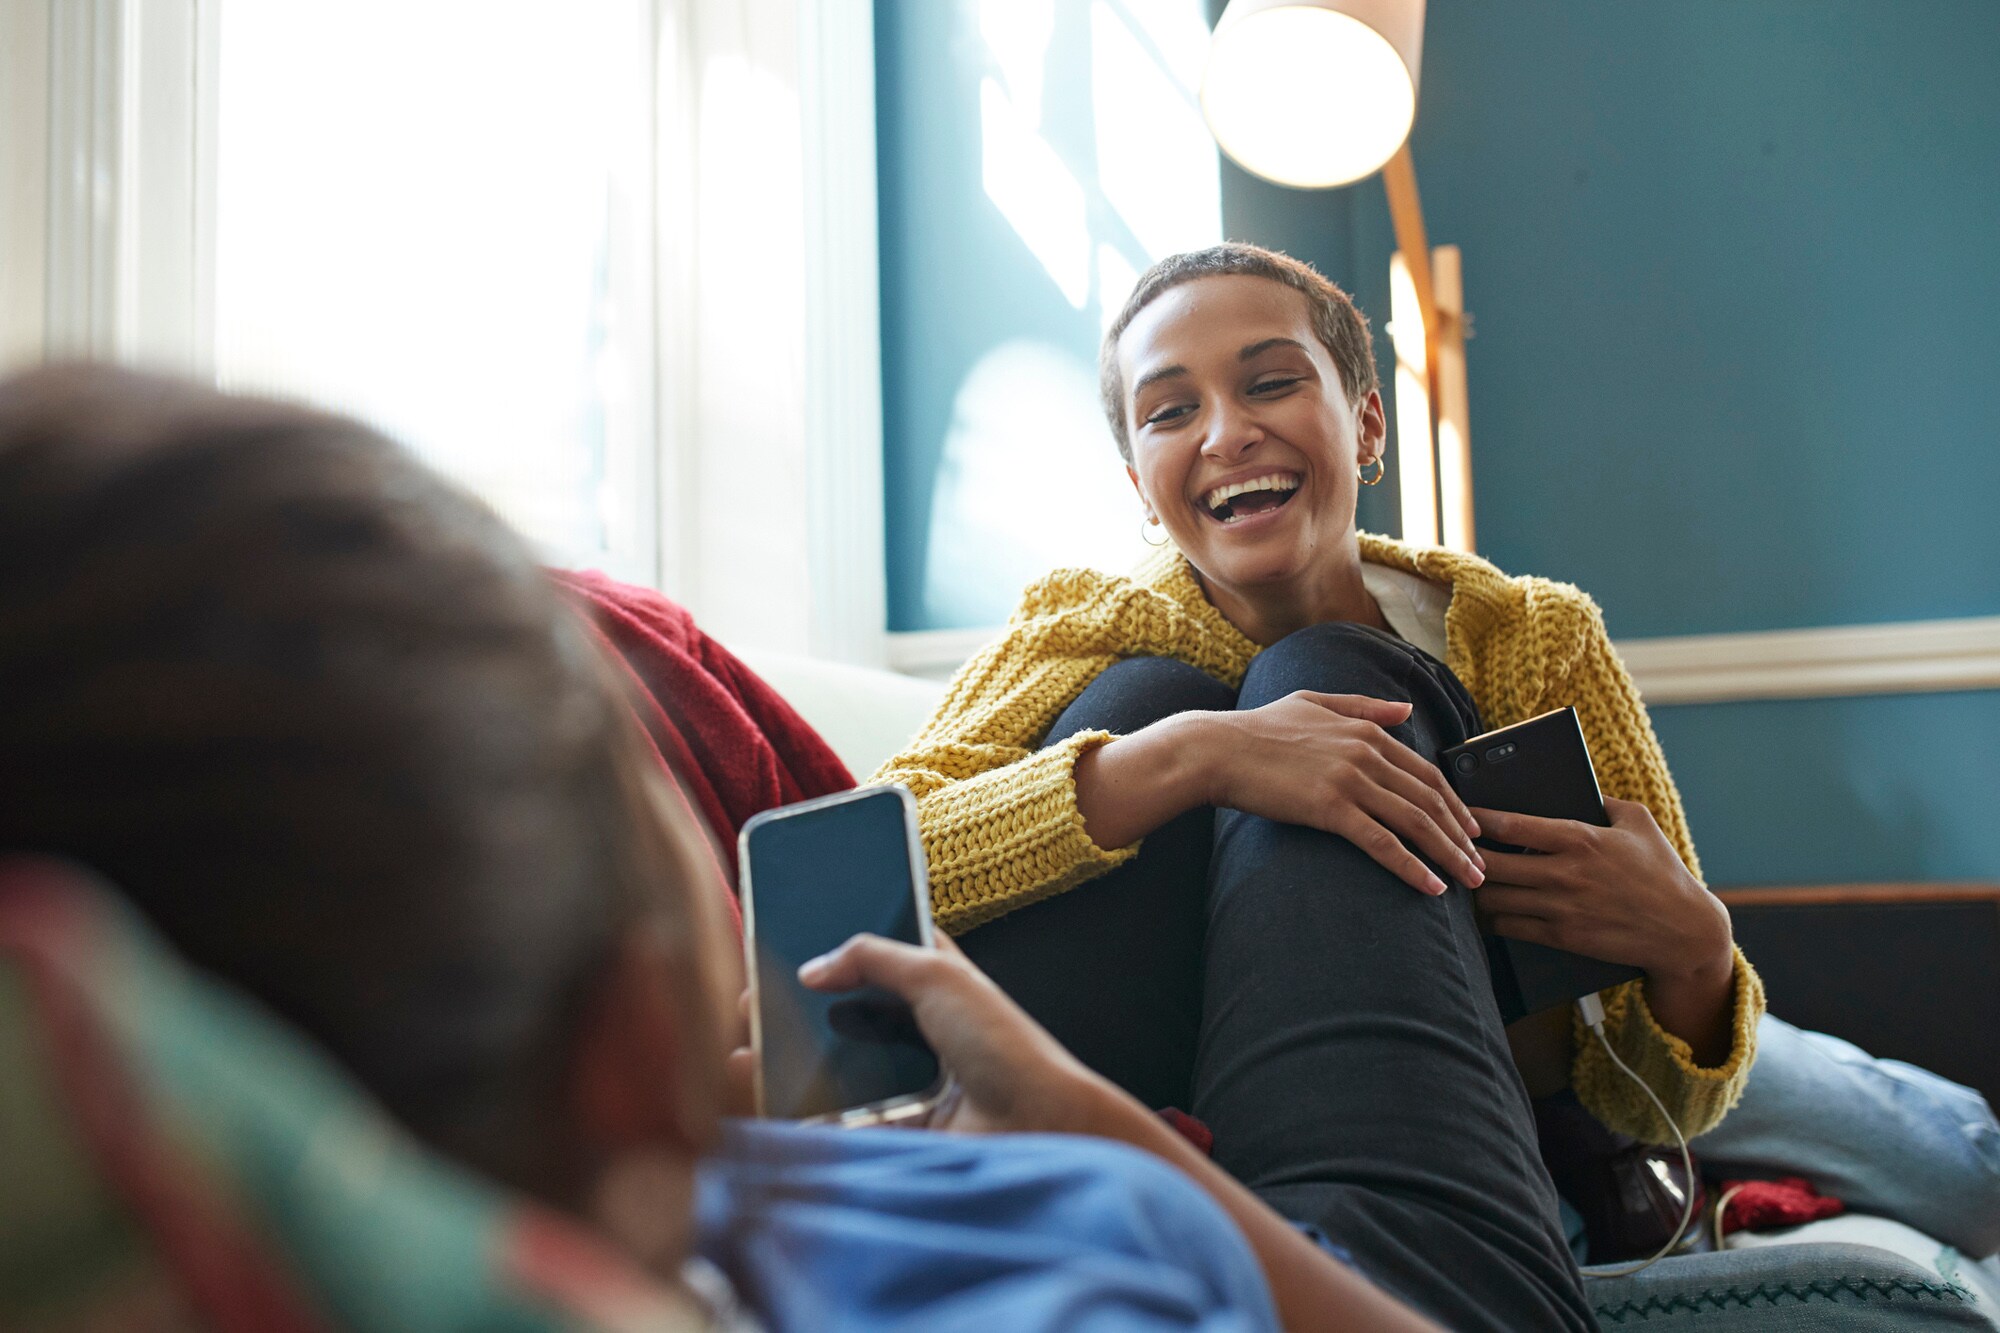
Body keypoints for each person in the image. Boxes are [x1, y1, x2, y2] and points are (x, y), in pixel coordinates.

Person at [0, 365, 1454, 1331]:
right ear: (634, 1046)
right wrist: (1092, 1119)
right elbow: (909, 828)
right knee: (1237, 684)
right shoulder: (1060, 1238)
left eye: (1275, 379)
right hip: (1353, 1249)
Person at [872, 244, 1768, 1321]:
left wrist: (1694, 950)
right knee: (1154, 695)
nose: (1223, 431)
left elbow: (1670, 1099)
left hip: (1452, 1136)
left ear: (1367, 423)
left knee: (1318, 675)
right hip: (1140, 1092)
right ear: (1139, 492)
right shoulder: (1085, 629)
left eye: (1269, 381)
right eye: (1168, 412)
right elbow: (859, 866)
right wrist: (1186, 756)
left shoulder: (1529, 643)